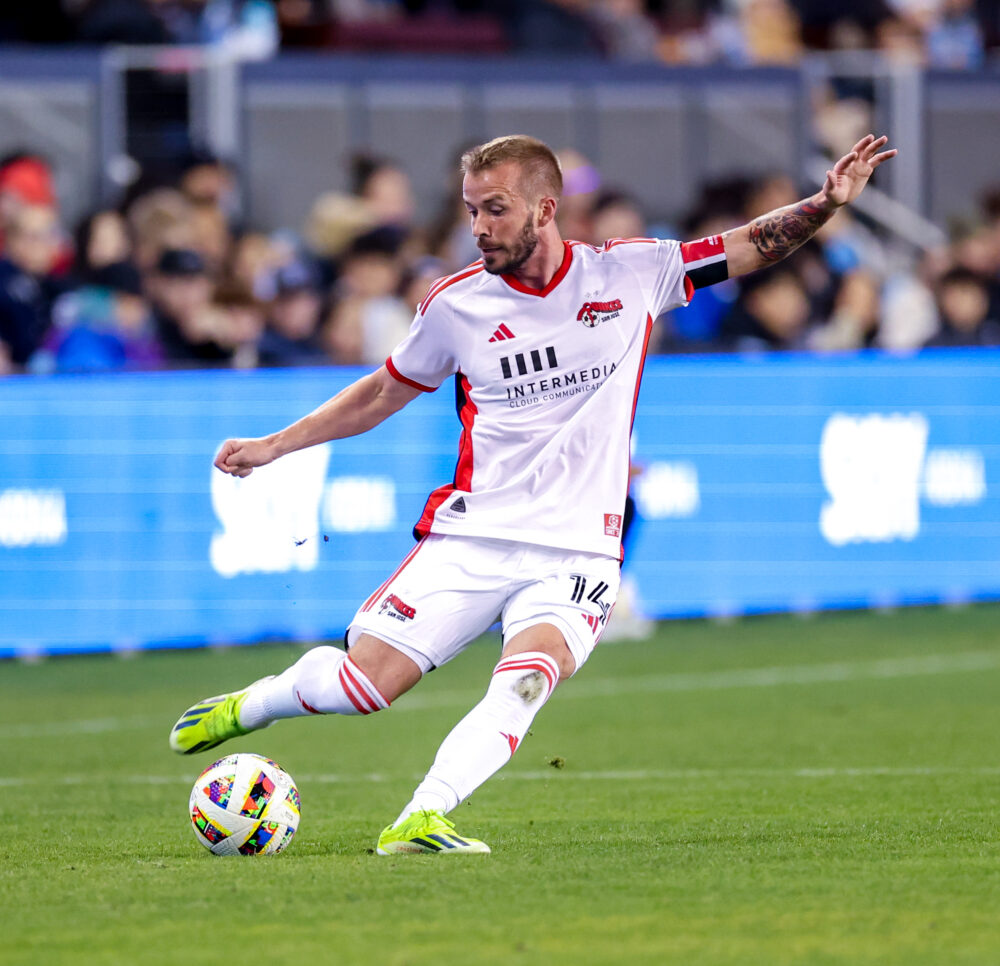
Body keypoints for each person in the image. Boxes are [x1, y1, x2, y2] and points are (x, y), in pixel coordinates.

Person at [169, 132, 896, 854]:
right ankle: (252, 704)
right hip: (474, 534)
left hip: (578, 550)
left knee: (526, 680)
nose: (479, 227)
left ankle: (422, 817)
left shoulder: (631, 272)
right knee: (364, 689)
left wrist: (825, 204)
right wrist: (274, 445)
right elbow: (384, 391)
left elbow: (748, 247)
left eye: (496, 209)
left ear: (545, 209)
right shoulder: (456, 305)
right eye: (471, 210)